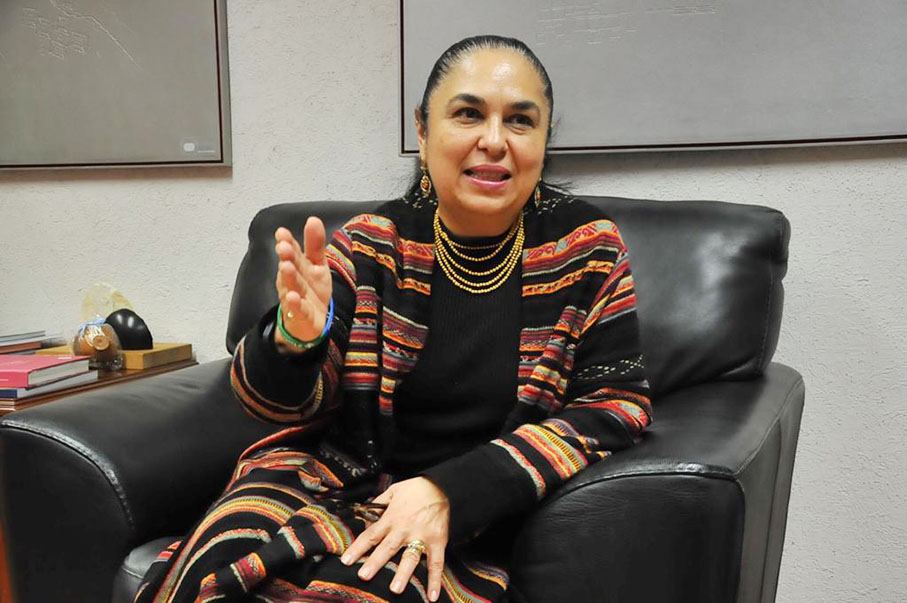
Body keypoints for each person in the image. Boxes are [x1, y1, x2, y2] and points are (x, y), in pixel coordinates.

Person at [135, 34, 652, 603]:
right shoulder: (371, 245)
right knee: (213, 569)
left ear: (544, 138)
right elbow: (269, 404)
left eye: (520, 121)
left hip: (472, 517)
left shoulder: (585, 248)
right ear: (422, 131)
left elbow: (615, 406)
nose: (494, 140)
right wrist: (294, 341)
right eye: (468, 114)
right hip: (331, 483)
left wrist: (453, 490)